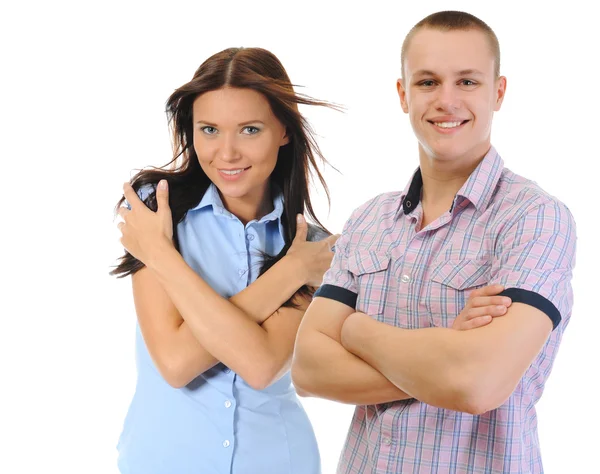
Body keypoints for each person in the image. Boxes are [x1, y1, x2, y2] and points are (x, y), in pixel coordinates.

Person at [292, 10, 576, 474]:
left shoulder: (535, 219)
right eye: (427, 82)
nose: (446, 100)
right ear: (403, 95)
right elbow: (308, 370)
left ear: (497, 92)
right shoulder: (369, 220)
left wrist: (356, 331)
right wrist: (442, 353)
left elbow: (475, 383)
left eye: (467, 82)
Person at [111, 47, 340, 474]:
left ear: (284, 132)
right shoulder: (155, 210)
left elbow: (260, 365)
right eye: (210, 129)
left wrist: (162, 258)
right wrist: (289, 273)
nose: (227, 152)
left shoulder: (314, 248)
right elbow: (176, 364)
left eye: (250, 129)